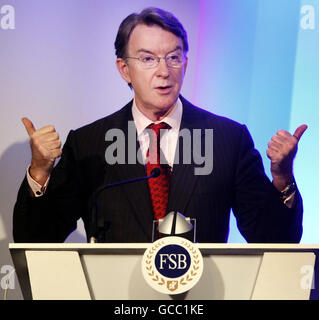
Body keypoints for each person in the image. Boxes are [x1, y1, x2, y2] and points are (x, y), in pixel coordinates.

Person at [13, 7, 307, 243]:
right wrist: (39, 171)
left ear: (186, 63)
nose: (164, 71)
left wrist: (282, 177)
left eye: (173, 57)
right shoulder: (89, 145)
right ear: (124, 69)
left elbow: (275, 239)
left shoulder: (228, 140)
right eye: (148, 59)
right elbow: (36, 239)